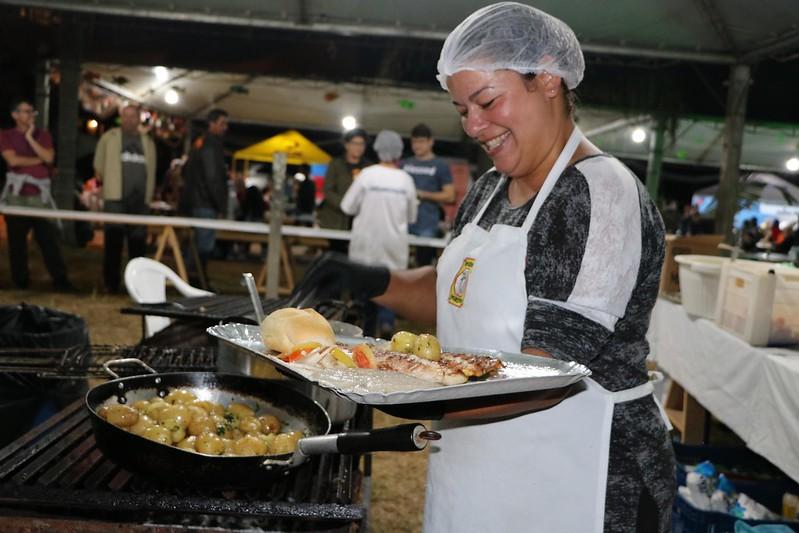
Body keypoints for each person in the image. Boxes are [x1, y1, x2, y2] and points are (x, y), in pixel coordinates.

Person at [296, 3, 675, 532]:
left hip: (573, 472)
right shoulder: (488, 189)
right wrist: (372, 280)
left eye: (487, 101)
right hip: (474, 451)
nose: (474, 125)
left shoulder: (597, 194)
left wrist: (402, 392)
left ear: (547, 77)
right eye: (461, 109)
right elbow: (459, 295)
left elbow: (548, 373)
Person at [340, 130, 417, 336]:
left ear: (377, 150)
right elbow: (411, 217)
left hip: (365, 246)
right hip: (394, 247)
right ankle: (386, 324)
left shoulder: (367, 175)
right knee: (389, 290)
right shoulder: (405, 180)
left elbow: (347, 207)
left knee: (364, 293)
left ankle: (363, 332)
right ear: (399, 152)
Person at [0, 99, 73, 291]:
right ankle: (20, 282)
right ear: (14, 115)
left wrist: (31, 138)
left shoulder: (42, 135)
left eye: (32, 112)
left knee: (49, 240)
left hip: (39, 197)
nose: (30, 115)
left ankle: (60, 280)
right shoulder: (6, 135)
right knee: (17, 243)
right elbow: (13, 160)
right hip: (17, 196)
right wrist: (38, 159)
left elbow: (49, 158)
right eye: (26, 111)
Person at [93, 103, 157, 293]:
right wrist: (109, 185)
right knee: (113, 243)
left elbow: (152, 170)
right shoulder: (109, 138)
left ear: (139, 119)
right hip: (115, 199)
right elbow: (98, 166)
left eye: (133, 116)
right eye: (125, 116)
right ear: (121, 118)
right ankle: (111, 284)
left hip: (140, 201)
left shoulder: (148, 142)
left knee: (138, 246)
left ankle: (138, 287)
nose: (129, 120)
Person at [179, 108, 229, 286]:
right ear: (212, 124)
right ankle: (197, 281)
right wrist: (221, 206)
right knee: (203, 245)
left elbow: (185, 171)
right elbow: (212, 178)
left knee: (194, 244)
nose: (225, 127)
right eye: (222, 123)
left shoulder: (198, 143)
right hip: (205, 203)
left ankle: (194, 278)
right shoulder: (210, 145)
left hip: (195, 202)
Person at [401, 123, 454, 266]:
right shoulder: (404, 164)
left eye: (421, 141)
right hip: (402, 220)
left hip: (427, 223)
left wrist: (422, 195)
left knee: (423, 266)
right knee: (399, 264)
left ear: (431, 142)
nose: (417, 146)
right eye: (414, 142)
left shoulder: (440, 165)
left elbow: (450, 195)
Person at [316, 128, 370, 252]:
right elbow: (327, 190)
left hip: (360, 221)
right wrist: (345, 205)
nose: (359, 147)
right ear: (347, 145)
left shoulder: (368, 167)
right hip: (335, 221)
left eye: (362, 144)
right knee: (335, 253)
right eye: (355, 143)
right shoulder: (336, 164)